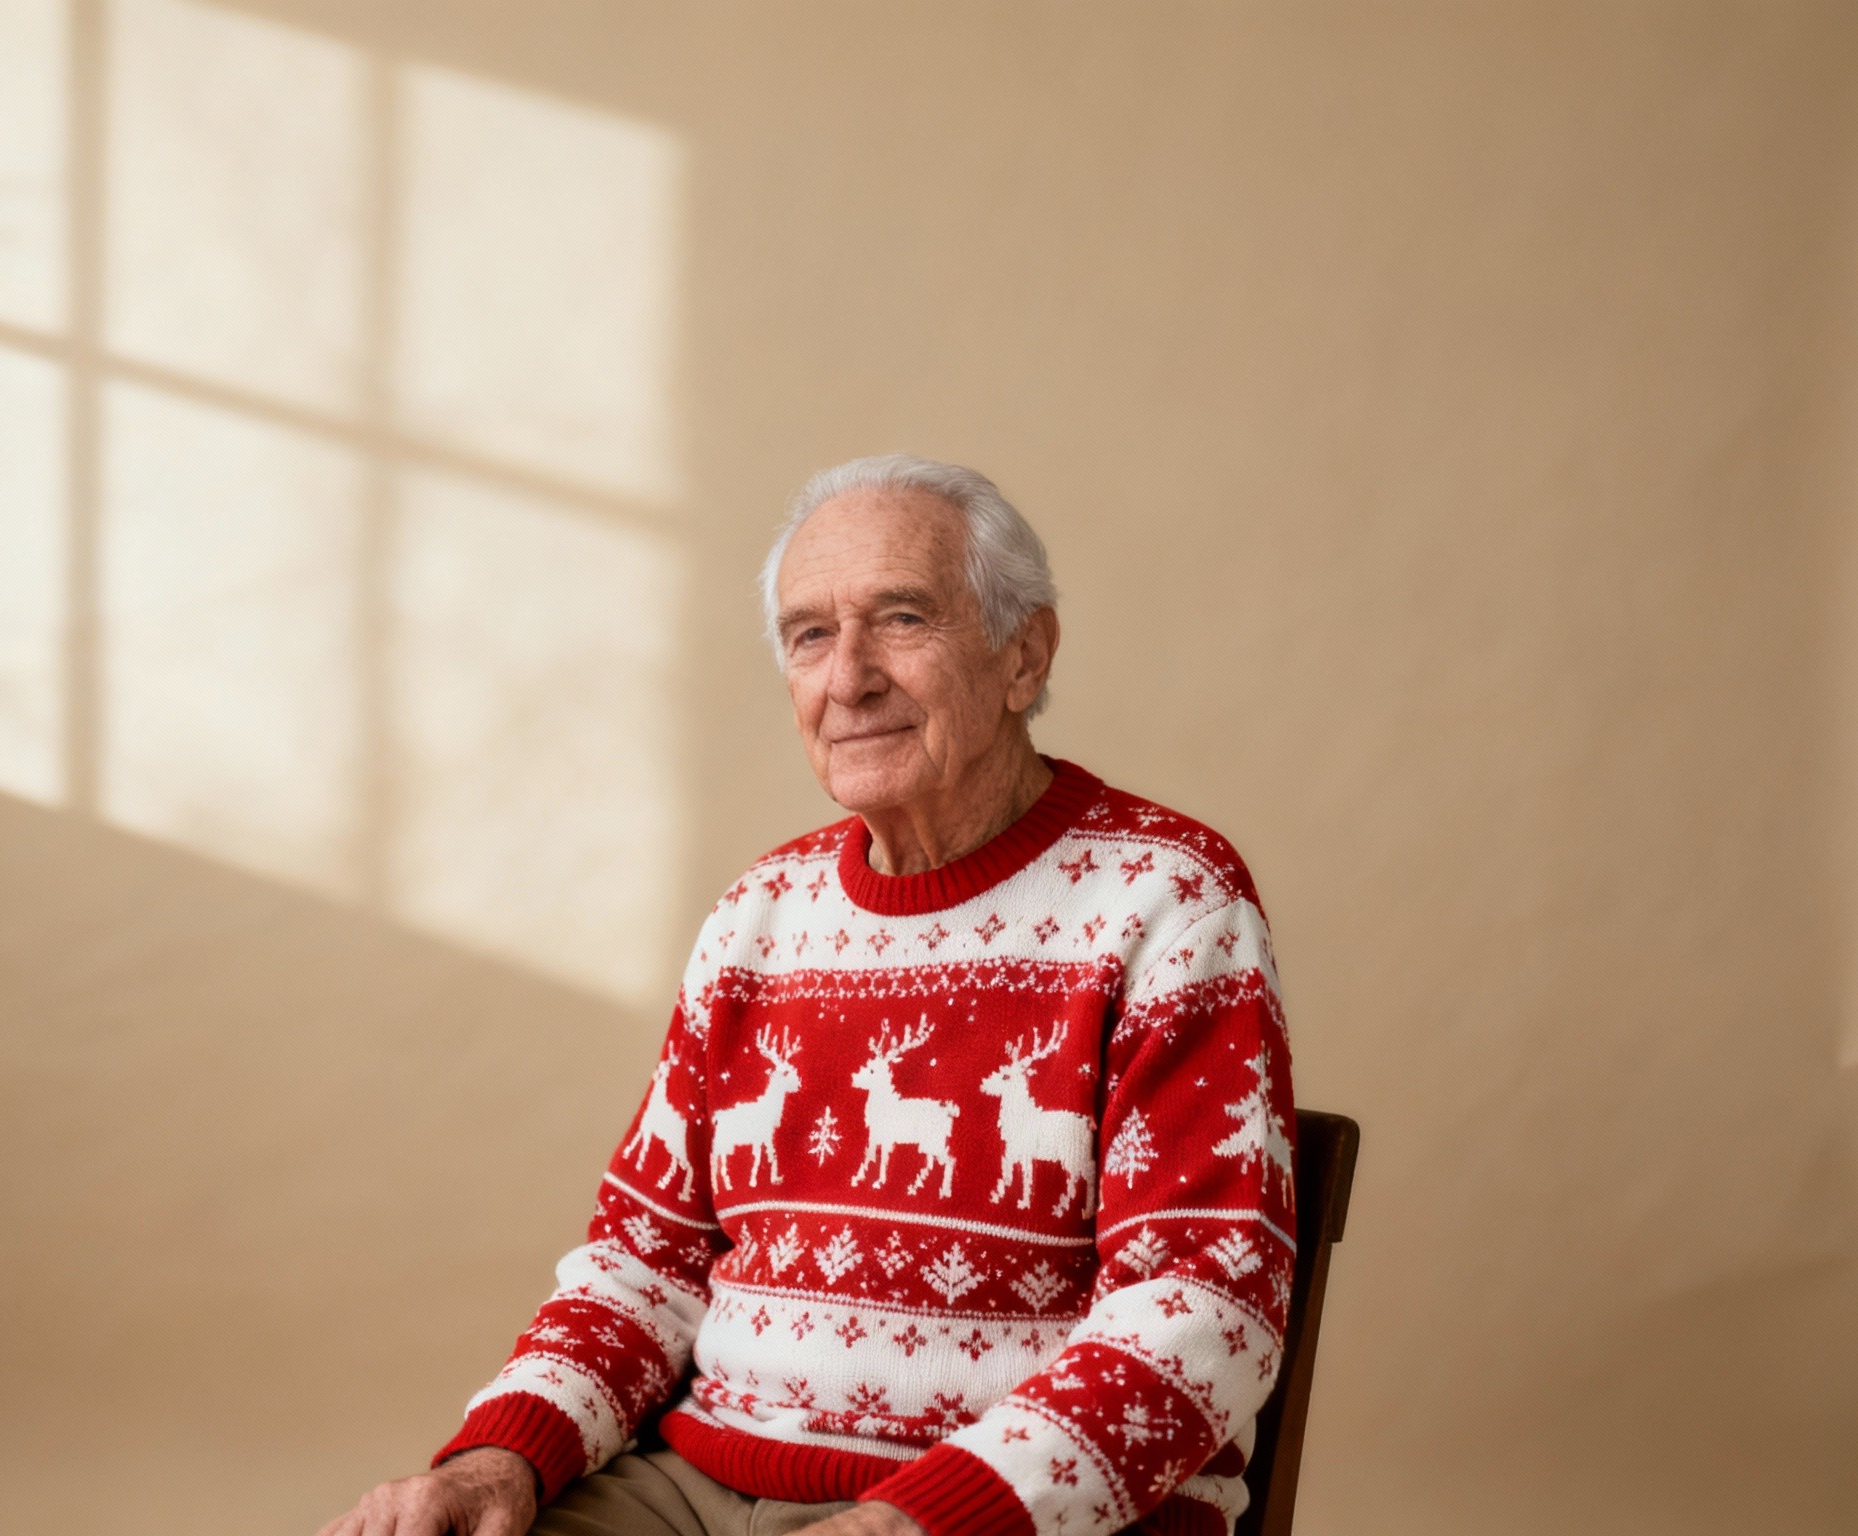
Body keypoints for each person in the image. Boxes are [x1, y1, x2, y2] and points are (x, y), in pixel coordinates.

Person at [319, 456, 1296, 1536]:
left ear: (1025, 655)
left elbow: (1206, 1309)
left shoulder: (1168, 900)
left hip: (996, 1513)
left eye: (903, 618)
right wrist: (496, 1458)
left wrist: (915, 1521)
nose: (849, 678)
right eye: (809, 636)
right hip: (687, 1493)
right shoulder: (759, 915)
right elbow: (644, 1263)